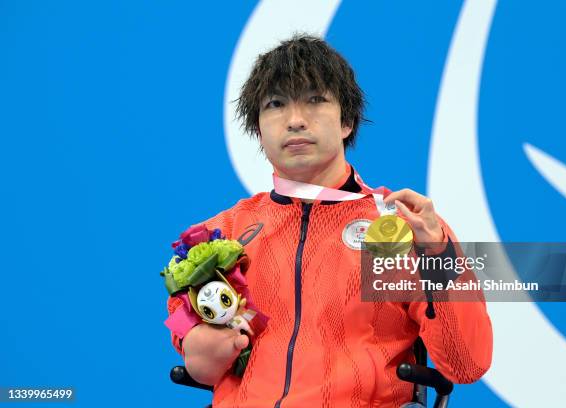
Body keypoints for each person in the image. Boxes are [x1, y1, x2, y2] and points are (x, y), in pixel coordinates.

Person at [166, 34, 493, 407]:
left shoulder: (400, 226)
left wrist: (436, 255)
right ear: (258, 129)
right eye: (276, 104)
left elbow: (467, 364)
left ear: (347, 121)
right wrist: (199, 349)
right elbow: (195, 354)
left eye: (315, 100)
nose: (295, 120)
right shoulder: (220, 236)